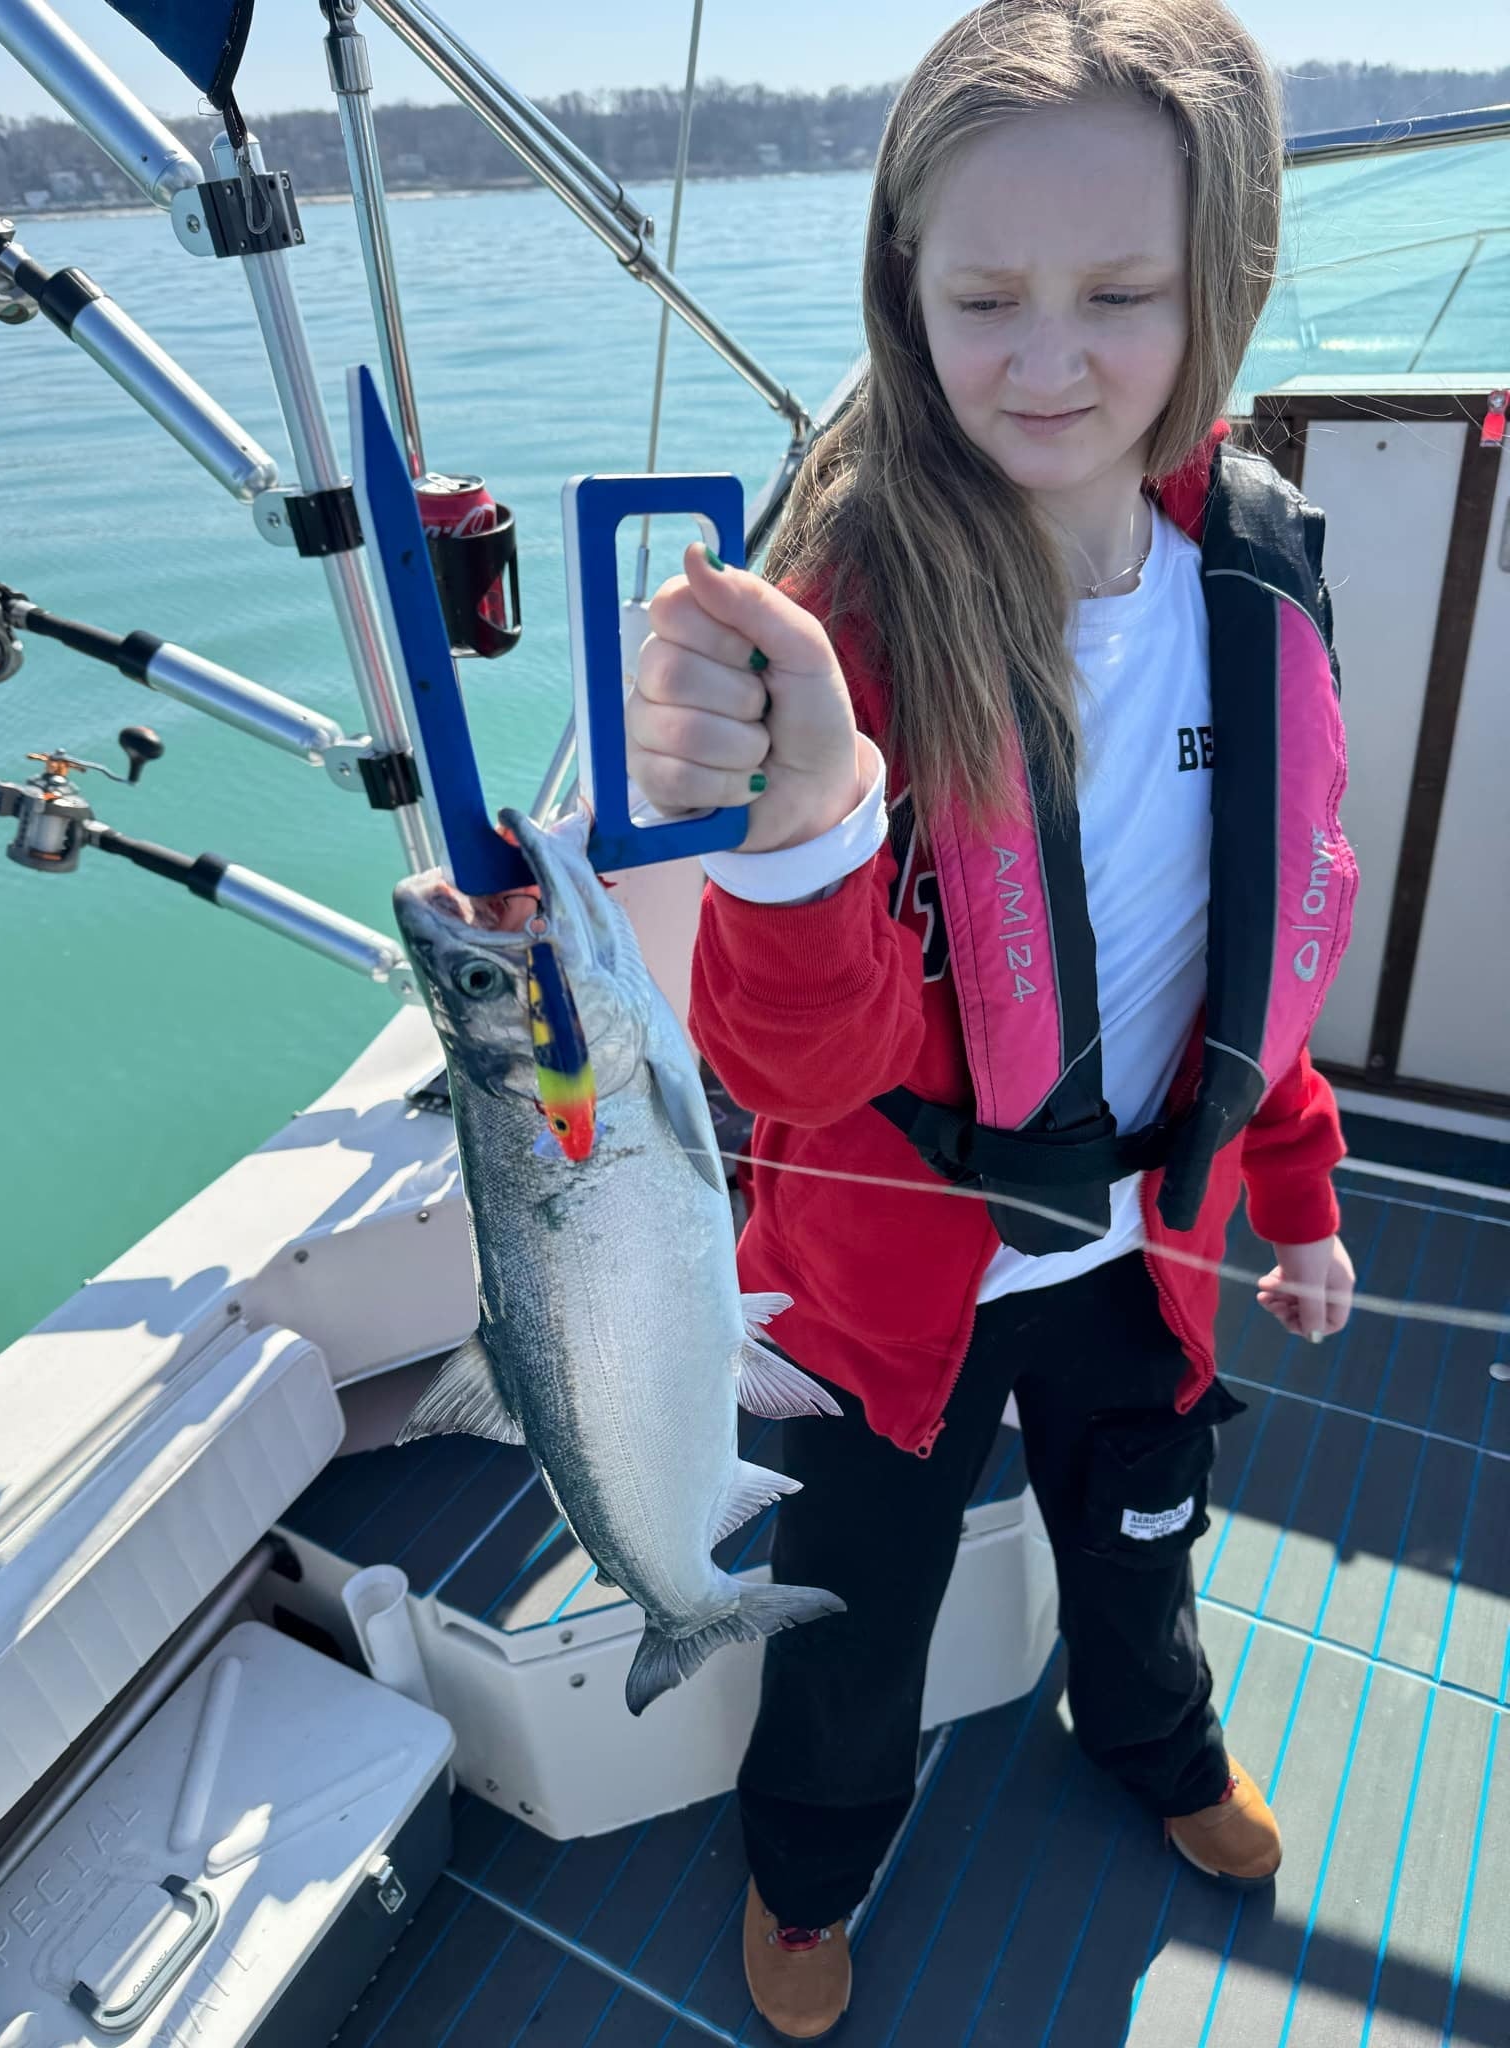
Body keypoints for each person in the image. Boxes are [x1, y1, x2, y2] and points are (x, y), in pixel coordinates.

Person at [627, 1, 1361, 2036]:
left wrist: (1299, 1194)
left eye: (1121, 293)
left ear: (1222, 280)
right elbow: (790, 1067)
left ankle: (1156, 1740)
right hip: (886, 1282)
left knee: (1142, 1536)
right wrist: (793, 835)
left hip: (1151, 1239)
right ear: (905, 288)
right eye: (985, 299)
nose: (1049, 362)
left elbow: (1252, 953)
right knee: (850, 1612)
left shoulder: (1255, 572)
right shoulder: (842, 622)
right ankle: (810, 1866)